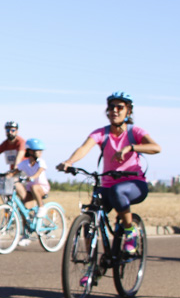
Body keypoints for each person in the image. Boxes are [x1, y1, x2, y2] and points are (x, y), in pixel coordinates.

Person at [58, 91, 161, 253]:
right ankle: (90, 265)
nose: (115, 111)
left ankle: (130, 231)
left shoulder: (135, 132)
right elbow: (84, 148)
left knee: (117, 191)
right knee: (90, 216)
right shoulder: (101, 133)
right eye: (111, 107)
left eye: (120, 107)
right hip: (107, 185)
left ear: (128, 111)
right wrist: (69, 162)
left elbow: (156, 148)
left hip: (135, 184)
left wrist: (131, 147)